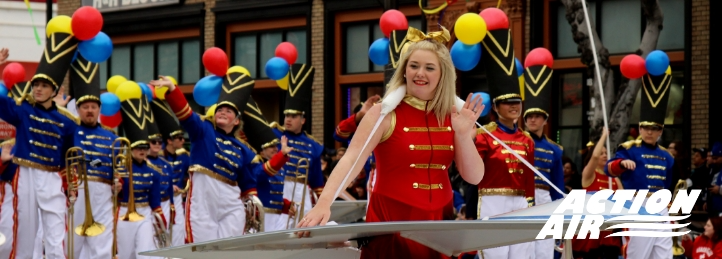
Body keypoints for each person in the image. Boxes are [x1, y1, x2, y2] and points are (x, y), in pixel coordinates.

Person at [297, 26, 485, 259]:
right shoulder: (383, 113)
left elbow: (474, 177)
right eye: (413, 65)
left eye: (429, 68)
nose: (419, 73)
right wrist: (324, 203)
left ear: (443, 74)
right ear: (404, 70)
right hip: (391, 223)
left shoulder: (456, 117)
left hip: (440, 225)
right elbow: (352, 159)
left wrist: (464, 135)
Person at [151, 70, 258, 243]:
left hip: (231, 203)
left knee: (230, 249)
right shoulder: (203, 130)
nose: (222, 112)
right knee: (202, 248)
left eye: (228, 111)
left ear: (236, 121)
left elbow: (248, 184)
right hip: (203, 199)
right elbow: (185, 114)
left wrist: (254, 204)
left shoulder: (243, 149)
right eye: (220, 109)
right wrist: (172, 89)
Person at [0, 33, 80, 258]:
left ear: (53, 91)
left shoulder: (67, 121)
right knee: (25, 233)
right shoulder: (22, 110)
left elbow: (70, 157)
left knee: (56, 234)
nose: (37, 89)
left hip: (51, 178)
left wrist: (71, 183)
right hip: (25, 175)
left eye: (44, 86)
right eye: (36, 85)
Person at [473, 14, 536, 259]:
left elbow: (529, 178)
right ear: (496, 107)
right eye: (507, 102)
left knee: (522, 254)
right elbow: (473, 174)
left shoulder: (527, 140)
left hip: (521, 202)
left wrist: (532, 206)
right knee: (495, 254)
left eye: (517, 102)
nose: (514, 106)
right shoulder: (484, 136)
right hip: (492, 200)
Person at [605, 67, 675, 259]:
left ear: (660, 131)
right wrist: (622, 163)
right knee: (637, 255)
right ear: (639, 128)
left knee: (664, 255)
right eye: (645, 127)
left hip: (660, 208)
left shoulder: (667, 156)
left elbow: (667, 183)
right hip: (637, 204)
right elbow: (609, 168)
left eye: (654, 128)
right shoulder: (630, 148)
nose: (649, 132)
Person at [64, 54, 121, 259]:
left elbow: (118, 168)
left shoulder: (111, 137)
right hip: (77, 189)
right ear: (78, 110)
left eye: (93, 107)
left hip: (103, 191)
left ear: (99, 110)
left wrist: (118, 182)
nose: (89, 111)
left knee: (102, 241)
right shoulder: (71, 131)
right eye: (85, 107)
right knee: (73, 240)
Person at [268, 62, 325, 226]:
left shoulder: (313, 145)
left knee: (303, 229)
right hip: (279, 187)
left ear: (303, 120)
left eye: (293, 116)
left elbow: (316, 180)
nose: (288, 120)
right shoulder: (274, 133)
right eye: (286, 116)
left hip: (302, 193)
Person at [521, 48, 566, 259]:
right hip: (521, 198)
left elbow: (557, 185)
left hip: (545, 198)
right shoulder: (517, 141)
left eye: (538, 116)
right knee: (523, 249)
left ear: (545, 120)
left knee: (545, 251)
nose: (533, 120)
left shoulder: (555, 149)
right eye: (530, 116)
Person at [115, 87, 165, 259]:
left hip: (144, 214)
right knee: (126, 254)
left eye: (145, 147)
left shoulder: (154, 172)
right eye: (139, 148)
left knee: (146, 253)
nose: (142, 151)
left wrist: (160, 218)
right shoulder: (120, 167)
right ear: (131, 149)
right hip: (123, 214)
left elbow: (155, 199)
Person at [241, 97, 295, 231]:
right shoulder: (256, 166)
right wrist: (281, 156)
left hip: (277, 216)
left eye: (275, 145)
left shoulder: (279, 168)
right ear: (261, 152)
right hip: (261, 215)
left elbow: (273, 194)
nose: (275, 148)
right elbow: (261, 174)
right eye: (270, 146)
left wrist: (285, 206)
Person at [572, 128, 623, 259]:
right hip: (591, 229)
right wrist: (604, 136)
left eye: (606, 153)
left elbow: (624, 202)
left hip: (608, 229)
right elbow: (594, 156)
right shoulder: (589, 175)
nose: (605, 155)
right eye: (602, 153)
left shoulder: (614, 179)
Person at [152, 93, 189, 246]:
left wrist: (185, 188)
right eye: (179, 138)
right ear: (169, 141)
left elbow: (190, 173)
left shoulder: (185, 155)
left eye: (183, 137)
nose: (182, 140)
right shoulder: (158, 158)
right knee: (160, 231)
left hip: (178, 198)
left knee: (179, 228)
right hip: (161, 198)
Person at [144, 105, 175, 246]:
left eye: (159, 142)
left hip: (165, 202)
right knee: (148, 237)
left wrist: (173, 206)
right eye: (153, 142)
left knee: (163, 235)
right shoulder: (143, 162)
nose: (157, 144)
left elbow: (169, 187)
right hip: (148, 204)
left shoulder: (166, 164)